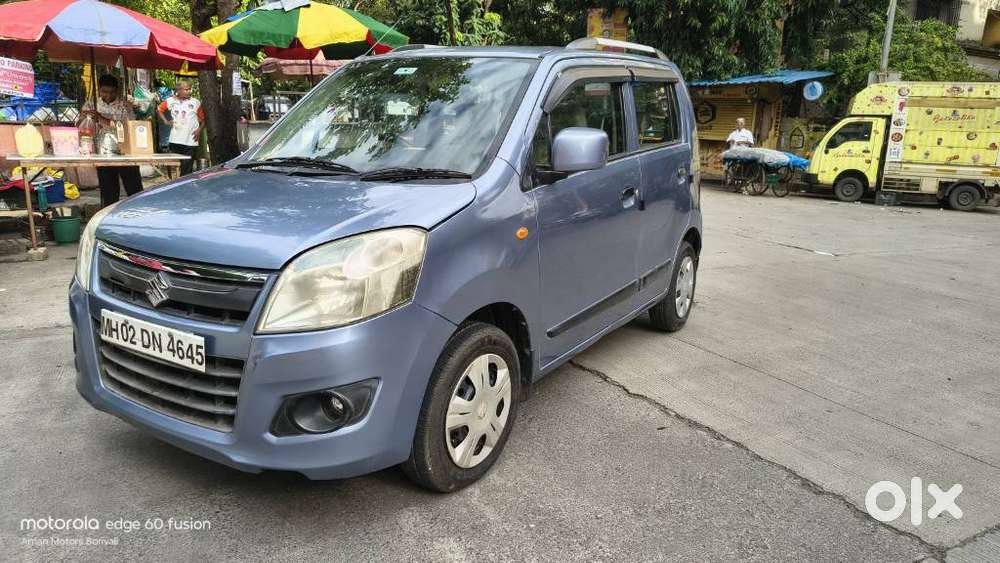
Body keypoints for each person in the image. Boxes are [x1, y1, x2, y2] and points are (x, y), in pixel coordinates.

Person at [80, 74, 143, 208]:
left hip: (125, 152)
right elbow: (81, 125)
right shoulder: (91, 104)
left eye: (112, 92)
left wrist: (101, 119)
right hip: (102, 153)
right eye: (104, 92)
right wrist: (85, 117)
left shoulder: (124, 106)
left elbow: (127, 127)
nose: (108, 95)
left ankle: (139, 213)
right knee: (109, 192)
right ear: (99, 90)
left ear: (117, 91)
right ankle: (109, 217)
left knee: (134, 189)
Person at [157, 80, 204, 176]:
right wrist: (165, 121)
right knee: (176, 165)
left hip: (191, 140)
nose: (189, 91)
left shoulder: (196, 102)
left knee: (187, 168)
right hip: (175, 139)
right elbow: (159, 109)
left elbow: (203, 119)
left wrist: (199, 130)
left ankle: (185, 187)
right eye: (186, 89)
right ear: (179, 90)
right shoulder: (170, 101)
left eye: (190, 89)